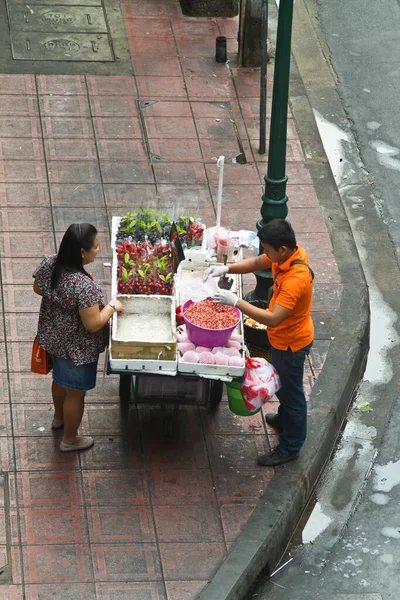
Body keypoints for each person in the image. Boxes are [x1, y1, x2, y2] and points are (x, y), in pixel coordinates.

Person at [204, 219, 314, 466]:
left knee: (292, 394)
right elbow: (256, 262)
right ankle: (285, 419)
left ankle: (290, 446)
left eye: (268, 249)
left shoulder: (295, 278)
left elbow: (273, 319)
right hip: (283, 340)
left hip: (291, 344)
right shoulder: (285, 256)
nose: (265, 254)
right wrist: (226, 269)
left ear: (282, 249)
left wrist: (236, 303)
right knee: (286, 387)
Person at [33, 223, 124, 452]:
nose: (97, 249)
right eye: (94, 246)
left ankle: (59, 419)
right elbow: (93, 324)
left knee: (60, 380)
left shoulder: (50, 264)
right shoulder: (83, 286)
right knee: (75, 393)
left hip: (54, 337)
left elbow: (38, 287)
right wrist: (112, 306)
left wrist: (60, 300)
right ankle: (70, 439)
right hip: (77, 348)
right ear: (81, 252)